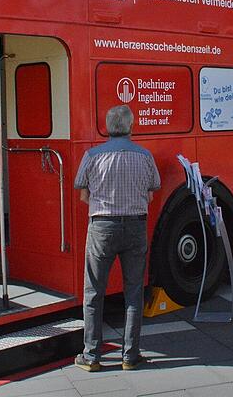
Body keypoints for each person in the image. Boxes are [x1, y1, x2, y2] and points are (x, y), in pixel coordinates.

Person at [73, 105, 161, 372]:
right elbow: (152, 189)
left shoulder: (92, 155)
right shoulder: (145, 156)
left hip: (102, 226)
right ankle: (130, 356)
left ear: (108, 127)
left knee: (94, 292)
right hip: (135, 226)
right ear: (131, 127)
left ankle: (91, 356)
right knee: (133, 293)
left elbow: (81, 189)